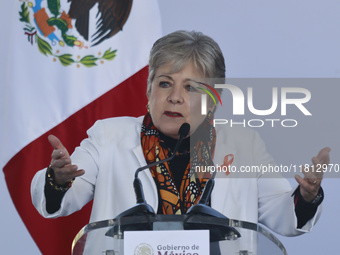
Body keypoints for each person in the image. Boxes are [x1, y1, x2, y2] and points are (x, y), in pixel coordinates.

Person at [31, 30, 329, 252]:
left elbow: (283, 217)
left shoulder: (243, 144)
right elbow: (65, 198)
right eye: (164, 83)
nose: (174, 97)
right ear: (149, 93)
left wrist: (305, 198)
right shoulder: (109, 136)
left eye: (191, 88)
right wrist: (58, 179)